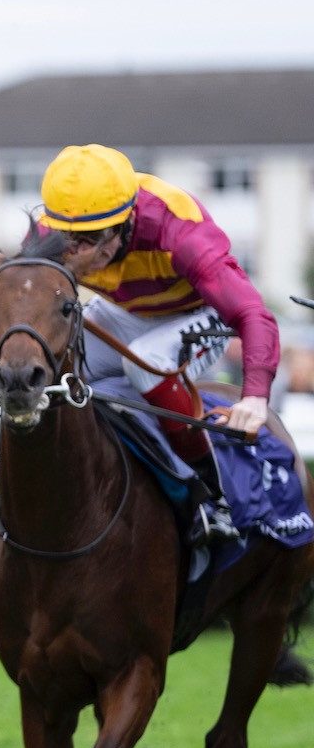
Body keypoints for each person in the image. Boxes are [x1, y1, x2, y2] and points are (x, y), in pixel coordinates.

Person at [35, 144, 278, 543]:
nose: (77, 252)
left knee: (144, 362)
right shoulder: (51, 230)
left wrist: (254, 398)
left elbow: (254, 314)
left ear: (126, 220)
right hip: (123, 311)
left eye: (92, 238)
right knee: (52, 357)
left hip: (196, 313)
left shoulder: (177, 229)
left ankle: (209, 495)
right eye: (68, 238)